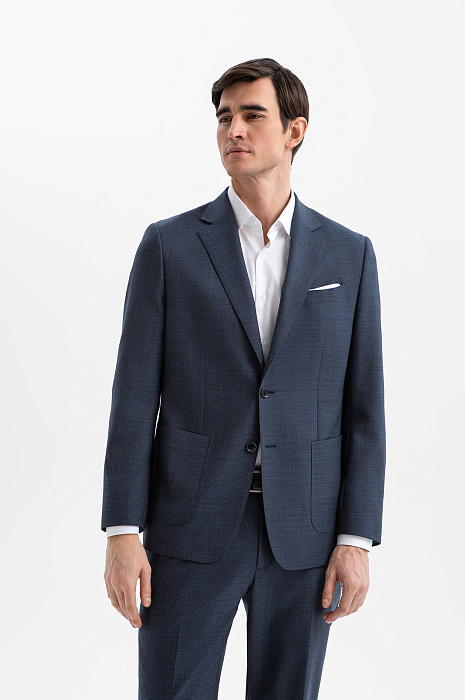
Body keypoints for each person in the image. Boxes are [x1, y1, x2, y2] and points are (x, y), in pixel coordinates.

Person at [102, 57, 386, 700]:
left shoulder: (349, 254)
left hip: (306, 533)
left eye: (253, 115)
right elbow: (133, 398)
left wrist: (355, 538)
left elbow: (364, 408)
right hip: (190, 525)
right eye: (224, 117)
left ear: (295, 131)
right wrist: (122, 530)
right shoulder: (169, 246)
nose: (234, 129)